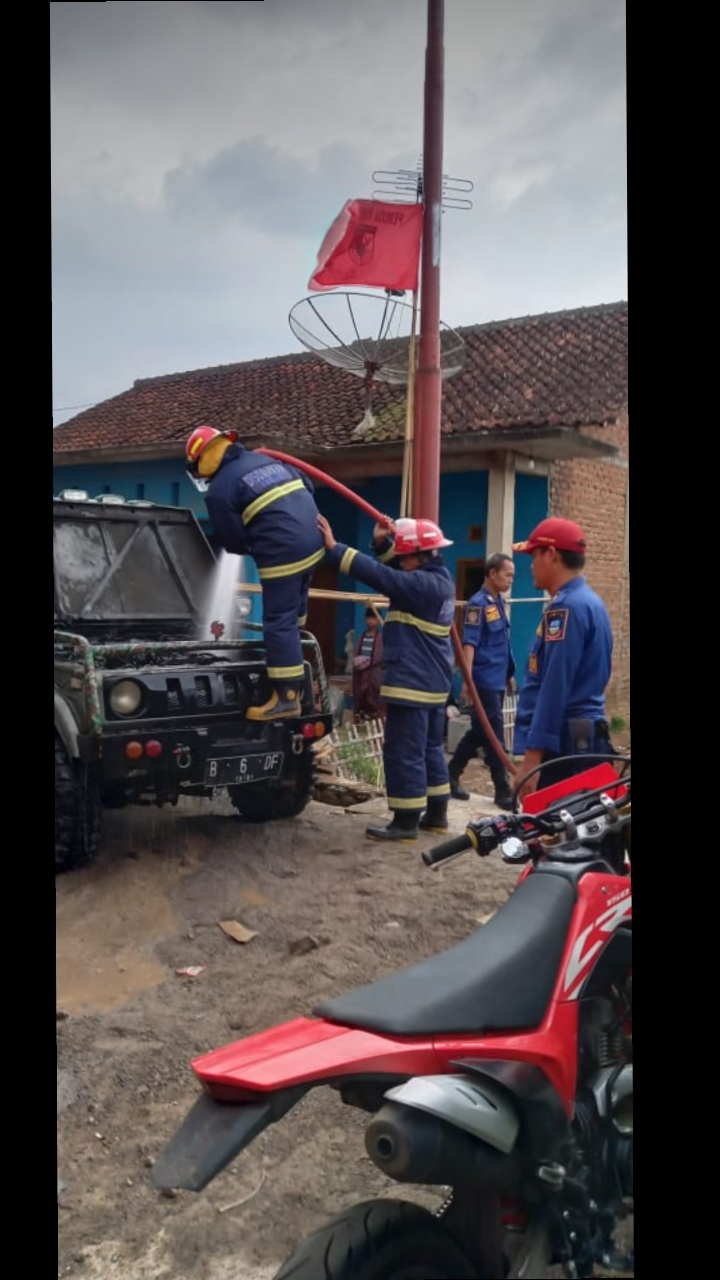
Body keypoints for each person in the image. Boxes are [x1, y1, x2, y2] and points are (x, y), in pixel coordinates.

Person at [318, 513, 456, 842]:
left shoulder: (421, 585)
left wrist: (337, 550)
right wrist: (382, 541)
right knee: (430, 749)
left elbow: (384, 576)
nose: (400, 560)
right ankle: (437, 814)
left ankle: (405, 821)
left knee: (402, 750)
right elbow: (394, 571)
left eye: (402, 554)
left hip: (413, 681)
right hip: (432, 683)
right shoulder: (438, 579)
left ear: (416, 555)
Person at [185, 426, 325, 721]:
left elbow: (232, 541)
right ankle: (295, 670)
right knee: (294, 617)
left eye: (197, 469)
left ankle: (287, 699)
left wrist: (255, 541)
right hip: (314, 543)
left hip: (282, 553)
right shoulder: (268, 462)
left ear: (204, 458)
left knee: (278, 622)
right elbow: (307, 486)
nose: (200, 476)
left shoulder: (220, 489)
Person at [512, 517, 614, 798]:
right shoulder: (590, 602)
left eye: (534, 555)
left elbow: (554, 688)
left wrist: (532, 761)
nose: (531, 564)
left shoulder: (567, 609)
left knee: (556, 835)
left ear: (551, 554)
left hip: (567, 746)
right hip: (583, 737)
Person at [447, 552, 516, 808]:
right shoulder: (477, 604)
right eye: (508, 575)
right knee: (495, 735)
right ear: (492, 573)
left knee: (480, 732)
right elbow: (470, 644)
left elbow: (501, 644)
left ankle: (450, 775)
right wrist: (467, 680)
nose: (511, 580)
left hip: (498, 679)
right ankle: (502, 789)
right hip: (483, 681)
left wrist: (509, 674)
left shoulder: (497, 602)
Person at [352, 606, 384, 721]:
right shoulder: (362, 636)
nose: (371, 621)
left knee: (373, 691)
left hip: (373, 671)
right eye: (368, 618)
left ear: (378, 621)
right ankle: (361, 714)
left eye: (374, 618)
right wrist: (358, 662)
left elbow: (380, 655)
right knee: (360, 691)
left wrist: (369, 662)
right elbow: (357, 652)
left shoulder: (380, 637)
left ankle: (373, 715)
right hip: (361, 671)